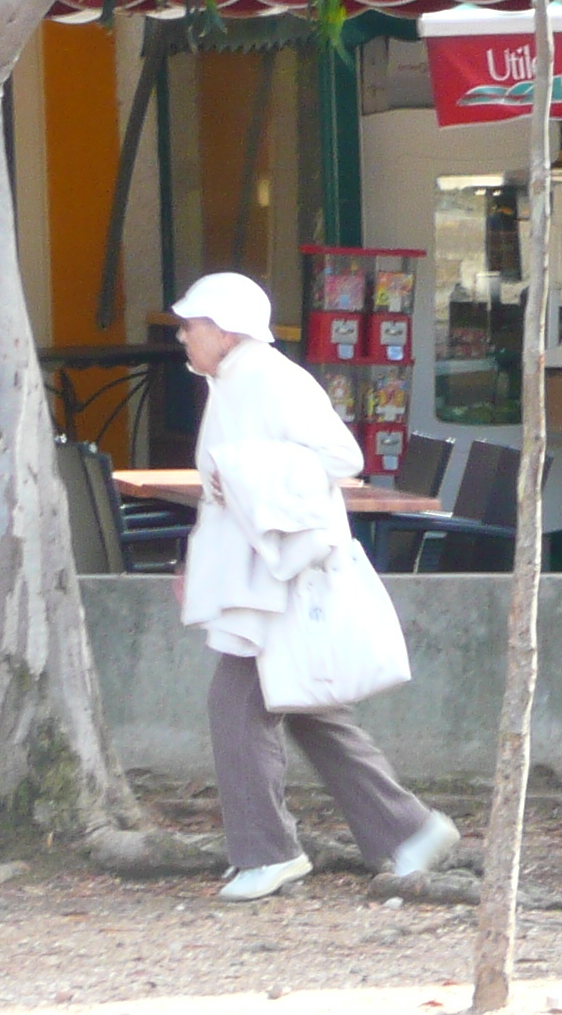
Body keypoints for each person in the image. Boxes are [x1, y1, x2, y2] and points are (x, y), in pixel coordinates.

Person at [171, 272, 460, 903]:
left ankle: (269, 853)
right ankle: (407, 831)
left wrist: (245, 475)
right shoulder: (237, 379)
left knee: (239, 706)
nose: (184, 336)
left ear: (224, 330)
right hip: (264, 575)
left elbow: (340, 458)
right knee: (304, 706)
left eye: (192, 325)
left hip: (281, 576)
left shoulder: (268, 378)